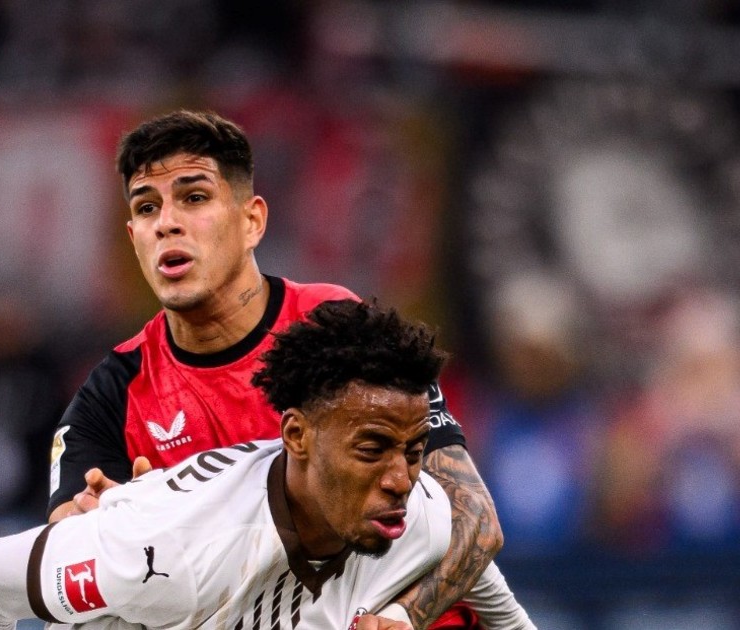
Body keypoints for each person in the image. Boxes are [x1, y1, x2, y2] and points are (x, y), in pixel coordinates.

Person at [46, 110, 513, 629]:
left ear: (252, 222)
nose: (167, 223)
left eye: (194, 198)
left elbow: (475, 520)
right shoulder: (110, 398)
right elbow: (67, 566)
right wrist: (105, 538)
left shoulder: (341, 330)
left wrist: (405, 616)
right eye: (147, 207)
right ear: (133, 235)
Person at [0, 300, 454, 629]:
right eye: (371, 450)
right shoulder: (170, 551)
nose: (400, 480)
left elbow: (483, 580)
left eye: (414, 453)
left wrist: (404, 614)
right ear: (297, 437)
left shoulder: (420, 516)